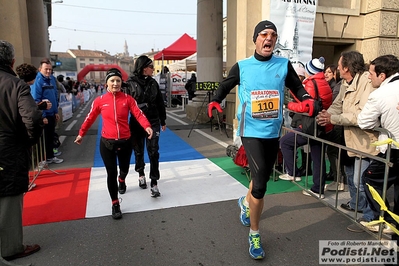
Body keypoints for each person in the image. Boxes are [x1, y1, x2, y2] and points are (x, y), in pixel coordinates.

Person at [208, 20, 310, 260]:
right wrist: (215, 100)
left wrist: (307, 99)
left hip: (273, 131)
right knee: (262, 182)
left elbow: (298, 87)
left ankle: (245, 202)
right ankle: (255, 233)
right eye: (264, 34)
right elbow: (225, 85)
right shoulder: (242, 66)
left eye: (273, 35)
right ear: (255, 39)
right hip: (251, 129)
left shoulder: (283, 65)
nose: (269, 38)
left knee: (260, 176)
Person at [74, 68, 153, 219]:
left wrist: (147, 126)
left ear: (121, 82)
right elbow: (90, 118)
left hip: (125, 141)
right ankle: (115, 203)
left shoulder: (128, 99)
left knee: (123, 170)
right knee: (111, 173)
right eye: (112, 81)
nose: (115, 83)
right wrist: (81, 134)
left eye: (118, 80)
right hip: (107, 143)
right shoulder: (100, 101)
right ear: (107, 84)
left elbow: (138, 113)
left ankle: (122, 180)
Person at [316, 51, 378, 232]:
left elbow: (362, 116)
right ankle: (356, 204)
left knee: (362, 180)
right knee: (351, 174)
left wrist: (332, 119)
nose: (336, 69)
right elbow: (338, 104)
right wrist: (326, 114)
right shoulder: (345, 83)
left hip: (365, 141)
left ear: (346, 68)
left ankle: (370, 218)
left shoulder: (367, 83)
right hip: (350, 139)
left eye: (339, 65)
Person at [0, 40, 43, 261]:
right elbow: (33, 119)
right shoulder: (15, 84)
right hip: (7, 150)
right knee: (8, 199)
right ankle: (10, 247)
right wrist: (29, 141)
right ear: (12, 61)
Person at [357, 54, 399, 234]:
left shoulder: (381, 94)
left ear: (382, 76)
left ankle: (387, 220)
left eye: (371, 73)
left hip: (393, 150)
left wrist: (379, 125)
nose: (369, 76)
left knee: (369, 179)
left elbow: (364, 122)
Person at [279, 57, 333, 198]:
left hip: (310, 125)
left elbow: (306, 107)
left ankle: (293, 173)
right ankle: (318, 189)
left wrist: (288, 105)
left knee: (285, 142)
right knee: (318, 158)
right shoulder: (324, 83)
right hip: (322, 125)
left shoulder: (311, 83)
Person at [124, 55, 166, 198]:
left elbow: (160, 102)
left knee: (153, 151)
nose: (153, 69)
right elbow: (125, 105)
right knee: (138, 151)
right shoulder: (130, 83)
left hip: (153, 121)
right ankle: (141, 174)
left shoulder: (154, 83)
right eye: (151, 67)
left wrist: (163, 120)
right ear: (143, 68)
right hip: (136, 122)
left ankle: (154, 182)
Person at [31, 58, 64, 164]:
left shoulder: (52, 79)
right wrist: (43, 115)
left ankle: (50, 156)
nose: (48, 71)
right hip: (43, 115)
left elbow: (54, 96)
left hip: (52, 114)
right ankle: (42, 159)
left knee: (50, 136)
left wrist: (55, 112)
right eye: (46, 69)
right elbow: (36, 99)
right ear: (40, 69)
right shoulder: (38, 80)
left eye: (50, 69)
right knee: (43, 138)